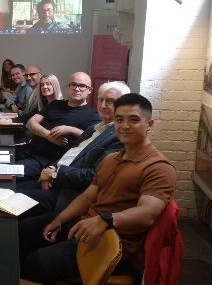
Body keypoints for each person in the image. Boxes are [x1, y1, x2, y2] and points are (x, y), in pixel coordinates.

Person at [19, 93, 177, 284]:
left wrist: (106, 219)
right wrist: (60, 218)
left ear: (149, 124)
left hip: (110, 244)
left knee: (31, 264)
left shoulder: (159, 167)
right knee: (19, 234)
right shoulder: (111, 159)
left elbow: (147, 213)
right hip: (84, 225)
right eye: (120, 119)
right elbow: (88, 197)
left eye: (133, 120)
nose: (125, 125)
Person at [17, 81, 130, 217]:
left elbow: (94, 176)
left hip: (67, 194)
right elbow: (70, 154)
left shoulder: (117, 137)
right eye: (100, 100)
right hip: (53, 177)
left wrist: (55, 175)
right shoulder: (93, 129)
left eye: (110, 101)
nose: (103, 105)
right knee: (9, 190)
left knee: (12, 200)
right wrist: (51, 169)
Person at [17, 72, 101, 181]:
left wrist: (70, 130)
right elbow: (30, 123)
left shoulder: (92, 116)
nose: (77, 89)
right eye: (73, 85)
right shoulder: (55, 104)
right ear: (67, 87)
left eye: (82, 86)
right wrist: (48, 135)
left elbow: (94, 141)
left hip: (43, 162)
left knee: (1, 175)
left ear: (89, 90)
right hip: (27, 150)